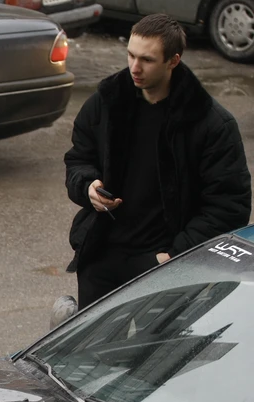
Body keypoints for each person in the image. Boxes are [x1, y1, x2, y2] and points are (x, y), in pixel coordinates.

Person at [63, 13, 251, 309]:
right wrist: (87, 186)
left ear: (173, 61)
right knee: (92, 356)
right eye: (131, 55)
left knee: (148, 356)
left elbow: (229, 206)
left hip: (161, 268)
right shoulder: (107, 102)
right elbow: (78, 159)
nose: (135, 68)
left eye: (147, 60)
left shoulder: (211, 124)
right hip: (101, 259)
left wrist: (171, 258)